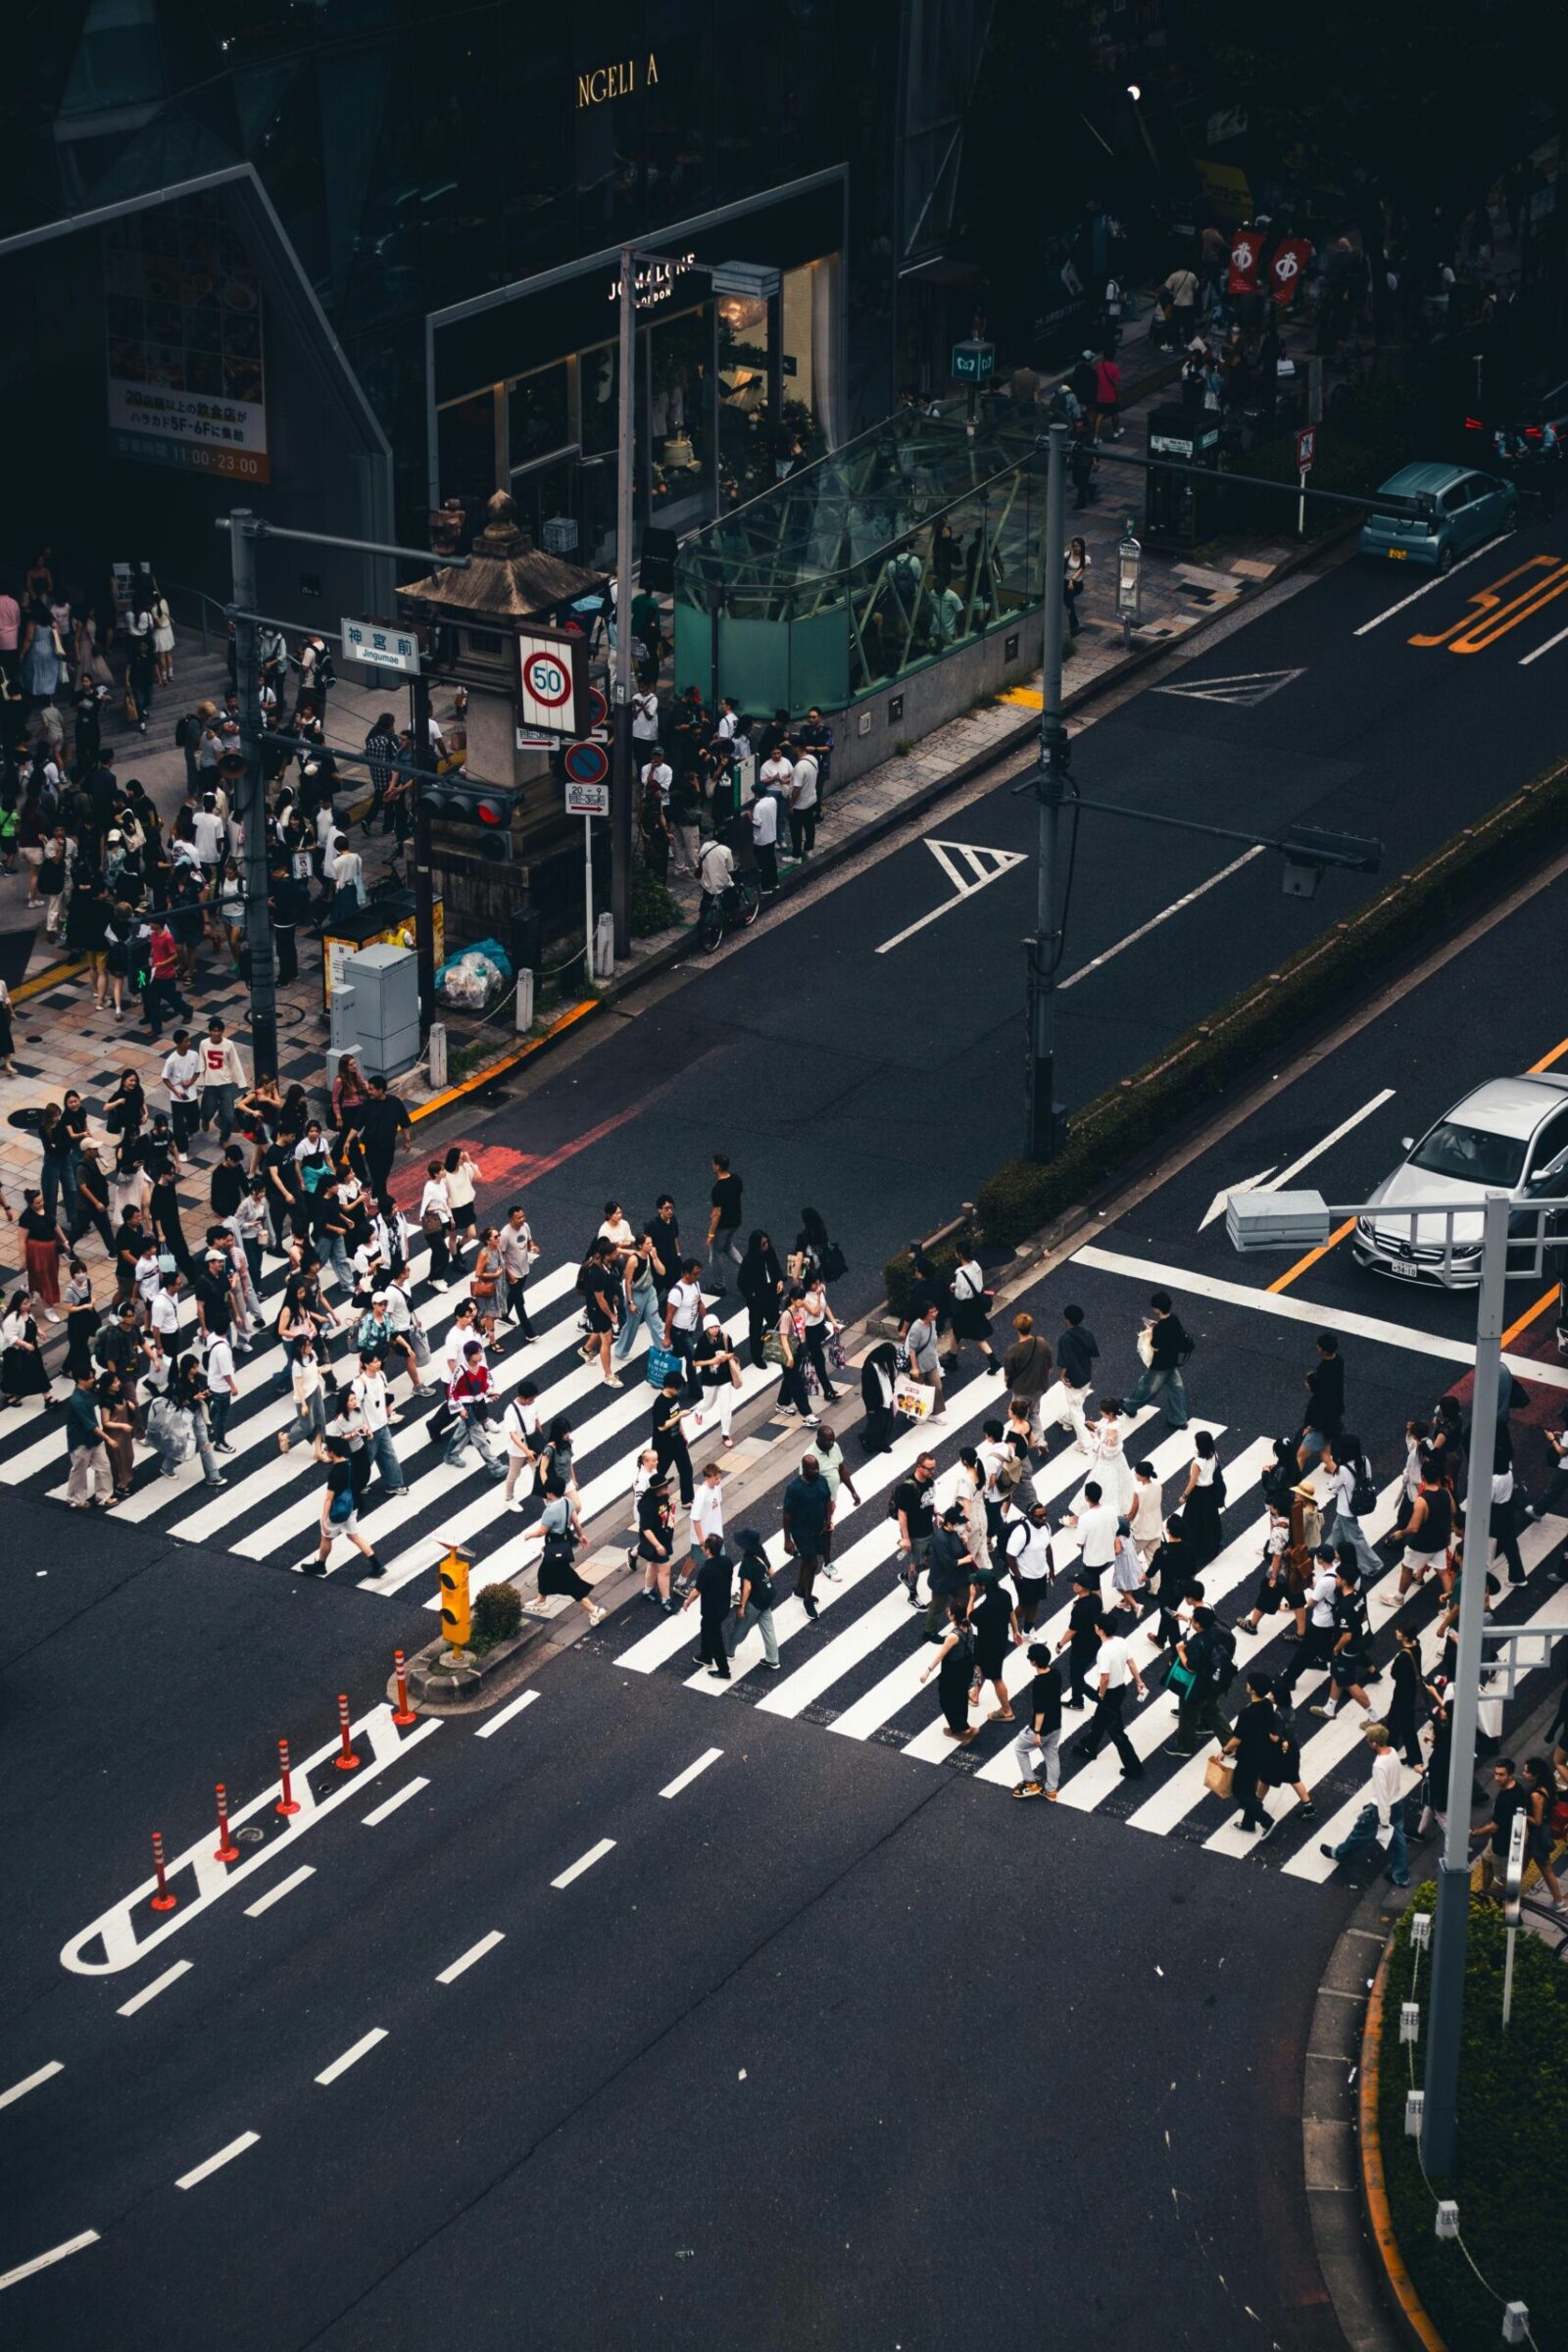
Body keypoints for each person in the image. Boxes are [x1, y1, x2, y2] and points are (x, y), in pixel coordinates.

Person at [1320, 1723, 1410, 1886]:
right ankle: (1401, 1876)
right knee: (1398, 1840)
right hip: (1397, 1802)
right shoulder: (1393, 1753)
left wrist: (1383, 1821)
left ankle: (1339, 1853)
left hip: (1382, 1808)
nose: (1367, 1742)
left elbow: (1382, 1795)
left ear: (1374, 1743)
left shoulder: (1379, 1765)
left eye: (1368, 1740)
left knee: (1359, 1834)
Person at [1069, 1615, 1147, 1777]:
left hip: (1109, 1693)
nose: (1095, 1627)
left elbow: (1104, 1678)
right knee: (1100, 1719)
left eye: (1096, 1626)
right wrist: (1139, 1681)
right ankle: (1090, 1746)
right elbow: (1130, 1662)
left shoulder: (1104, 1651)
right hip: (1121, 1689)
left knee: (1117, 1732)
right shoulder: (1121, 1641)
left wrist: (1100, 1695)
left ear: (1101, 1630)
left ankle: (1134, 1768)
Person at [301, 1435, 384, 1579]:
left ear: (333, 1452)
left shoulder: (335, 1472)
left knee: (326, 1537)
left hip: (339, 1509)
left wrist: (324, 1518)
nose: (326, 1451)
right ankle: (377, 1565)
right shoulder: (351, 1464)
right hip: (353, 1506)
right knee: (354, 1536)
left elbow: (329, 1498)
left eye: (327, 1449)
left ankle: (320, 1565)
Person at [1166, 1603, 1235, 1756]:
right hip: (1216, 1680)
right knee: (1212, 1710)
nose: (1191, 1621)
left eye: (1193, 1620)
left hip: (1199, 1684)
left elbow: (1191, 1666)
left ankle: (1184, 1747)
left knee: (1187, 1714)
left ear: (1198, 1624)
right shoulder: (1217, 1630)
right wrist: (1186, 1618)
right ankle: (1230, 1744)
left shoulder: (1199, 1642)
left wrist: (1180, 1651)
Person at [1125, 1291, 1191, 1428]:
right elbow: (1174, 1335)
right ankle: (1178, 1419)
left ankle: (1129, 1406)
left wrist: (1152, 1330)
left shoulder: (1160, 1328)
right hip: (1172, 1360)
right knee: (1176, 1389)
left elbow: (1155, 1347)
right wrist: (1156, 1327)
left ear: (1157, 1309)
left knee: (1147, 1388)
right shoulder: (1174, 1319)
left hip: (1160, 1364)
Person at [781, 1452, 833, 1620]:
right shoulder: (795, 1488)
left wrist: (828, 1521)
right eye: (813, 1469)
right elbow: (787, 1514)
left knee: (807, 1559)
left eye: (817, 1468)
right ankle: (807, 1600)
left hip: (819, 1529)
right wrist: (787, 1539)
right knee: (812, 1562)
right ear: (804, 1469)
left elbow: (827, 1500)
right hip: (801, 1532)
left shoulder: (822, 1481)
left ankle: (799, 1590)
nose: (817, 1471)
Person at [919, 1596, 978, 1743]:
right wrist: (971, 1596)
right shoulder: (968, 1625)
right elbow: (969, 1609)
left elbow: (940, 1656)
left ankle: (960, 1730)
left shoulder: (953, 1636)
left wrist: (928, 1671)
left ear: (952, 1616)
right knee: (960, 1697)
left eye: (949, 1611)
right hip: (966, 1667)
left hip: (953, 1671)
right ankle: (963, 1726)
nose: (947, 1611)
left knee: (946, 1700)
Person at [445, 1340, 507, 1478]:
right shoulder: (460, 1371)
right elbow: (452, 1391)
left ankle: (450, 1454)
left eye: (481, 1352)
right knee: (480, 1438)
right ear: (470, 1355)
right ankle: (495, 1467)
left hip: (479, 1405)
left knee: (464, 1432)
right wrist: (460, 1409)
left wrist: (491, 1393)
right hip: (467, 1408)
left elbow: (484, 1384)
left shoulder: (483, 1367)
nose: (480, 1355)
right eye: (478, 1353)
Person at [1010, 1643, 1064, 1798]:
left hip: (1042, 1728)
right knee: (1052, 1755)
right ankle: (1051, 1790)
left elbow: (1040, 1710)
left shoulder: (1039, 1683)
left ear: (1033, 1662)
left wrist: (1037, 1732)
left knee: (1020, 1749)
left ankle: (1030, 1783)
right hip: (1056, 1724)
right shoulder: (1056, 1673)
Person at [1469, 1757, 1528, 1897]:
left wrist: (1475, 1832)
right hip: (1506, 1837)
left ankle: (1506, 1902)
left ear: (1510, 1775)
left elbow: (1495, 1826)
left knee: (1504, 1876)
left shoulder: (1504, 1799)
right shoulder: (1517, 1788)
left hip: (1503, 1843)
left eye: (1501, 1775)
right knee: (1486, 1859)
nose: (1496, 1778)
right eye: (1495, 1773)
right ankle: (1485, 1892)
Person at [726, 1528, 781, 1670]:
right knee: (768, 1630)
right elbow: (772, 1572)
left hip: (753, 1602)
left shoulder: (747, 1562)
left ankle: (729, 1651)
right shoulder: (761, 1552)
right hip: (765, 1599)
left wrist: (742, 1606)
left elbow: (747, 1587)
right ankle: (773, 1659)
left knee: (740, 1629)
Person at [64, 1367, 117, 1508]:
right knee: (79, 1471)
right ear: (81, 1380)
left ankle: (104, 1496)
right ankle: (75, 1499)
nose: (93, 1380)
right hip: (80, 1441)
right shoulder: (77, 1401)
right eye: (91, 1378)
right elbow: (91, 1425)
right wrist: (108, 1439)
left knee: (103, 1466)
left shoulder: (85, 1394)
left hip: (93, 1439)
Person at [684, 1533, 734, 1679]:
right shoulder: (727, 1561)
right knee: (705, 1625)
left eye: (704, 1546)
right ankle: (705, 1655)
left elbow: (696, 1591)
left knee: (715, 1638)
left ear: (707, 1550)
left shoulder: (707, 1570)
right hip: (724, 1604)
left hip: (712, 1609)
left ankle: (724, 1670)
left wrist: (687, 1602)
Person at [1297, 1332, 1345, 1470]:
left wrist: (1311, 1425)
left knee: (1300, 1456)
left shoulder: (1324, 1370)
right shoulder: (1339, 1361)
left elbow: (1320, 1398)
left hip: (1322, 1423)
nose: (1317, 1348)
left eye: (1319, 1347)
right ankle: (1337, 1473)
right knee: (1325, 1456)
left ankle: (1296, 1486)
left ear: (1323, 1350)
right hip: (1333, 1416)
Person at [198, 1017, 247, 1143]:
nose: (217, 1033)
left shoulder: (229, 1044)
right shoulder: (203, 1043)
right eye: (214, 1031)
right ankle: (205, 1119)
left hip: (225, 1083)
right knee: (207, 1110)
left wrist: (241, 1082)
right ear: (210, 1032)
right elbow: (201, 1062)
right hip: (210, 1083)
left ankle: (224, 1139)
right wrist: (200, 1081)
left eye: (219, 1031)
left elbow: (235, 1062)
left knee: (228, 1115)